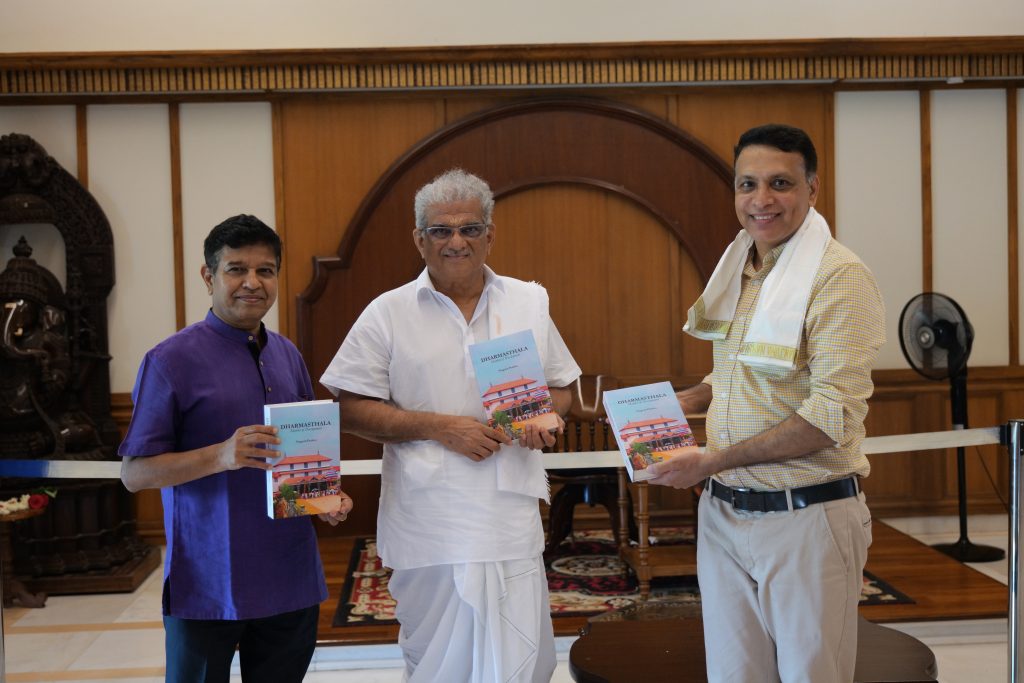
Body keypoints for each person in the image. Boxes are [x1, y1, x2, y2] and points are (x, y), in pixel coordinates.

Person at [320, 168, 581, 683]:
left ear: (490, 235)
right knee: (437, 661)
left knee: (520, 655)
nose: (456, 242)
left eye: (469, 229)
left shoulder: (528, 302)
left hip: (507, 511)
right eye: (440, 230)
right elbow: (349, 406)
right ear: (419, 239)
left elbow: (562, 388)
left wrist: (546, 416)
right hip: (428, 518)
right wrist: (441, 427)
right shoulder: (388, 312)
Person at [648, 124, 886, 683]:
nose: (761, 199)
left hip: (805, 517)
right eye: (747, 184)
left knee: (810, 675)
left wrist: (711, 461)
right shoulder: (742, 267)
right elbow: (743, 372)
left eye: (780, 183)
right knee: (733, 675)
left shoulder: (839, 277)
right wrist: (688, 399)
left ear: (812, 188)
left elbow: (830, 415)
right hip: (723, 515)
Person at [118, 214, 354, 683]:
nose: (252, 282)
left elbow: (302, 453)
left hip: (289, 574)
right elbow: (135, 474)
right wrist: (221, 455)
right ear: (208, 277)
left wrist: (324, 495)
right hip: (208, 581)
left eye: (265, 270)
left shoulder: (287, 355)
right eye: (236, 269)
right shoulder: (169, 360)